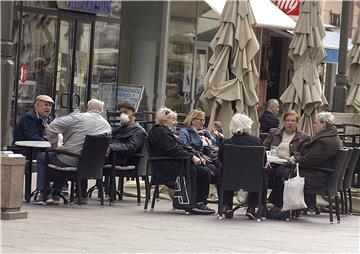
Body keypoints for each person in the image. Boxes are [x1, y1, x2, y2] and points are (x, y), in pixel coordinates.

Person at [33, 99, 112, 204]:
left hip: (70, 159)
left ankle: (45, 193)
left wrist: (54, 145)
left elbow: (52, 127)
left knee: (44, 157)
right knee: (62, 157)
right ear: (101, 111)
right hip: (91, 164)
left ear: (88, 108)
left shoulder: (78, 117)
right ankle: (56, 193)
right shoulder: (107, 126)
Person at [148, 106, 215, 215]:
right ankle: (198, 203)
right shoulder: (161, 132)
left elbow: (178, 148)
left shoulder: (164, 131)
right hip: (167, 168)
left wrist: (196, 155)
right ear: (165, 121)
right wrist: (192, 157)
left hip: (172, 164)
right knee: (203, 172)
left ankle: (198, 202)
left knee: (205, 169)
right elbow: (173, 150)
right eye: (173, 120)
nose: (176, 123)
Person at [218, 113, 267, 219]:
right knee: (261, 174)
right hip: (252, 179)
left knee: (224, 172)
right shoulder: (258, 142)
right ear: (248, 126)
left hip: (230, 178)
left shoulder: (226, 143)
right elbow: (264, 162)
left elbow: (220, 160)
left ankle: (227, 206)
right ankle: (252, 207)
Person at [264, 110, 310, 211]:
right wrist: (266, 159)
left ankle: (277, 204)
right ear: (283, 122)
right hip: (272, 162)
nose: (290, 123)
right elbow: (265, 147)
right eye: (288, 120)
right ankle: (259, 202)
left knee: (281, 173)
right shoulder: (273, 132)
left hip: (289, 164)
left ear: (297, 123)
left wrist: (294, 157)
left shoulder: (304, 137)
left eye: (293, 121)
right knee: (264, 172)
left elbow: (304, 154)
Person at [286, 112, 343, 189]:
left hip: (318, 177)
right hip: (325, 174)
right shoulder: (332, 136)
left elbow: (309, 160)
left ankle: (280, 200)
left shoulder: (324, 142)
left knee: (283, 172)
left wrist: (295, 158)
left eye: (316, 123)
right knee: (284, 170)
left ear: (324, 124)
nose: (314, 126)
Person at [178, 109, 223, 178]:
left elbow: (216, 146)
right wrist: (201, 155)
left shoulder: (205, 132)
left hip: (213, 158)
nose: (203, 122)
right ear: (192, 120)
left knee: (224, 168)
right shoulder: (184, 131)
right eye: (201, 120)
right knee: (214, 170)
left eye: (204, 120)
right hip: (197, 160)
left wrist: (219, 138)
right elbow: (185, 147)